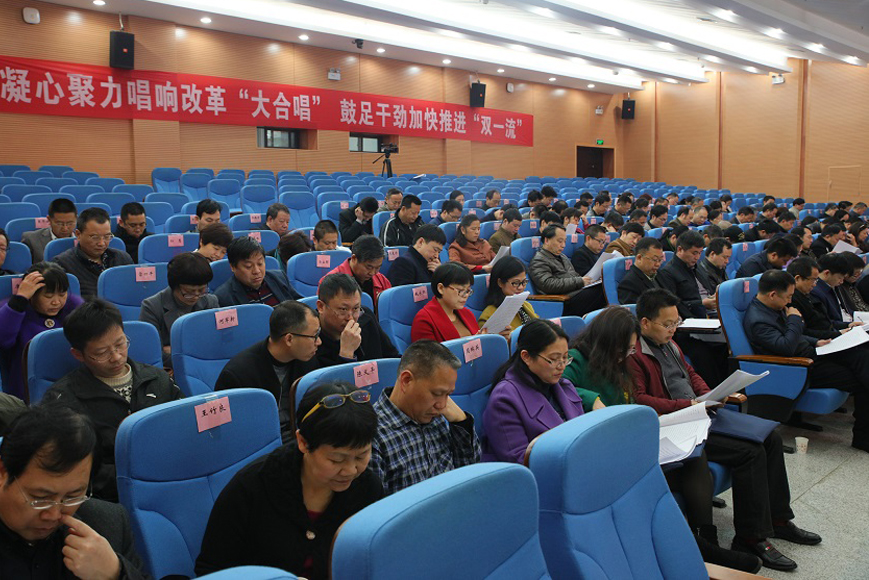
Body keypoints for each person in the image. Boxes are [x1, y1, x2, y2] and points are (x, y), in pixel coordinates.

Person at [631, 288, 820, 572]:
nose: (673, 329)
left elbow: (689, 374)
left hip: (700, 413)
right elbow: (640, 400)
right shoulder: (634, 353)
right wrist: (691, 404)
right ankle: (749, 538)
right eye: (667, 324)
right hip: (679, 424)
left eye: (676, 322)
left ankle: (779, 519)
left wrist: (710, 394)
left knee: (771, 437)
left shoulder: (669, 343)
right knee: (750, 452)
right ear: (645, 322)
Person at [562, 306, 760, 572]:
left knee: (694, 456)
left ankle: (705, 540)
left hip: (628, 437)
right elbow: (560, 387)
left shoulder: (619, 361)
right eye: (623, 349)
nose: (626, 355)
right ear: (605, 342)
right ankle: (703, 549)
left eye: (630, 349)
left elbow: (630, 401)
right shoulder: (575, 359)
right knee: (670, 474)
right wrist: (592, 399)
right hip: (602, 447)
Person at [195, 381, 383, 579]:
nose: (351, 470)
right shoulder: (252, 488)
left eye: (361, 456)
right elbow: (211, 571)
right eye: (337, 460)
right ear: (303, 442)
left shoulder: (368, 489)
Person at [43, 300, 181, 501]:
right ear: (78, 354)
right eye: (101, 353)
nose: (116, 357)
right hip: (112, 496)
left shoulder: (157, 379)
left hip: (174, 482)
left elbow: (183, 430)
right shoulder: (63, 401)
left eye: (120, 344)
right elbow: (75, 470)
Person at [0, 405, 147, 579]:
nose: (54, 515)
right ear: (3, 473)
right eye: (41, 498)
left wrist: (116, 573)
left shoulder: (107, 526)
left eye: (72, 497)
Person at [744, 270, 869, 452]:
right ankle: (862, 438)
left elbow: (794, 335)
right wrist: (795, 319)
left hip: (811, 352)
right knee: (861, 380)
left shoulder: (771, 307)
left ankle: (863, 435)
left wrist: (816, 341)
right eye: (788, 297)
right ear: (772, 295)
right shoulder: (759, 320)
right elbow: (786, 346)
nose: (790, 301)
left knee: (861, 354)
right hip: (797, 367)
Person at [369, 340, 481, 495]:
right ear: (406, 380)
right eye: (437, 393)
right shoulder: (373, 434)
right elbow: (377, 507)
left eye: (448, 395)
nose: (442, 405)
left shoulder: (437, 415)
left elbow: (469, 474)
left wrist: (461, 422)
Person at [215, 301, 321, 441]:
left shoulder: (307, 359)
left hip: (300, 436)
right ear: (289, 339)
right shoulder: (237, 375)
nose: (319, 342)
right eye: (314, 336)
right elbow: (232, 433)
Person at [483, 319, 584, 463]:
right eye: (554, 359)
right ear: (526, 357)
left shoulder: (564, 386)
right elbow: (519, 460)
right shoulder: (504, 399)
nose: (561, 366)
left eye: (565, 357)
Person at [0, 262, 83, 399]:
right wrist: (20, 300)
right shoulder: (13, 310)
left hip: (73, 383)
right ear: (32, 295)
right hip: (29, 390)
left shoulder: (73, 306)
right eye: (48, 296)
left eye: (62, 294)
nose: (56, 302)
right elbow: (3, 340)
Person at [655, 230, 728, 386]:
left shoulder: (697, 268)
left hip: (708, 320)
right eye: (694, 253)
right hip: (686, 328)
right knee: (704, 353)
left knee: (728, 345)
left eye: (700, 253)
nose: (697, 257)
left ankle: (729, 388)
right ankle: (712, 390)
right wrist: (702, 304)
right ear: (680, 249)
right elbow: (674, 304)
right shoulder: (667, 273)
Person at [140, 252, 219, 368]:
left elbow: (215, 344)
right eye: (189, 292)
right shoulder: (152, 307)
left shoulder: (210, 302)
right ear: (174, 286)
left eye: (202, 290)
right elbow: (153, 354)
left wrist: (176, 351)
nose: (196, 296)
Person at [315, 274, 399, 366]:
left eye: (355, 308)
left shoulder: (365, 317)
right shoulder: (310, 336)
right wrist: (346, 353)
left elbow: (393, 358)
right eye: (343, 309)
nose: (351, 318)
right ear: (321, 307)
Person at [52, 208, 133, 300]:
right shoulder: (62, 264)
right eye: (95, 237)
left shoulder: (123, 259)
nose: (101, 243)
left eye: (107, 237)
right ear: (78, 234)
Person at [529, 224, 605, 317]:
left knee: (602, 286)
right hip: (563, 300)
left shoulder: (562, 257)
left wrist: (588, 281)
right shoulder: (539, 260)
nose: (563, 245)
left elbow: (574, 275)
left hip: (575, 293)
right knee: (599, 291)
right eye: (560, 241)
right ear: (547, 240)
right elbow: (548, 284)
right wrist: (580, 281)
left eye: (565, 241)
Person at [214, 236, 301, 307]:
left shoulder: (279, 277)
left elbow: (300, 307)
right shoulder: (224, 297)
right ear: (233, 267)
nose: (256, 271)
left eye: (260, 263)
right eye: (248, 266)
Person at [411, 262, 479, 341]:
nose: (465, 295)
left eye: (468, 291)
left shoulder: (467, 313)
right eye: (460, 291)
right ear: (441, 288)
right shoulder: (424, 320)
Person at [321, 235, 391, 304]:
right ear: (354, 258)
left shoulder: (382, 281)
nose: (372, 273)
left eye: (377, 268)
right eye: (369, 267)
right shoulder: (330, 283)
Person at [478, 256, 538, 331]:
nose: (521, 287)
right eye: (515, 283)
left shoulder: (526, 305)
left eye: (524, 282)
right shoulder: (490, 315)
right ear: (500, 283)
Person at [21, 197, 77, 263]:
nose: (65, 228)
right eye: (59, 224)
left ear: (76, 219)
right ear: (49, 219)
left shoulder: (83, 239)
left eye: (70, 223)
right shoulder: (32, 239)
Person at [810, 252, 854, 325]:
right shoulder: (815, 292)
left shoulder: (833, 285)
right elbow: (825, 323)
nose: (841, 282)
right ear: (827, 273)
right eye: (839, 278)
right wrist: (848, 325)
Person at [617, 237, 664, 305]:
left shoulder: (659, 274)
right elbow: (634, 310)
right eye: (655, 259)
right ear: (639, 258)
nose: (658, 264)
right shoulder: (629, 284)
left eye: (660, 260)